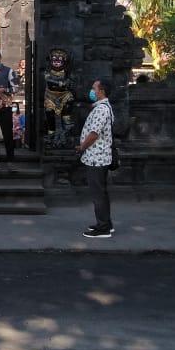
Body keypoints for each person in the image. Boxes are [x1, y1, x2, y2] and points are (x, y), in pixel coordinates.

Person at [75, 78, 115, 239]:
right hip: (99, 156)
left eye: (94, 88)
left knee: (98, 194)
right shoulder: (103, 107)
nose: (92, 91)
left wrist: (82, 147)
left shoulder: (101, 110)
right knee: (101, 193)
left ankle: (103, 227)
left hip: (96, 158)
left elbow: (94, 134)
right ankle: (106, 224)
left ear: (101, 91)